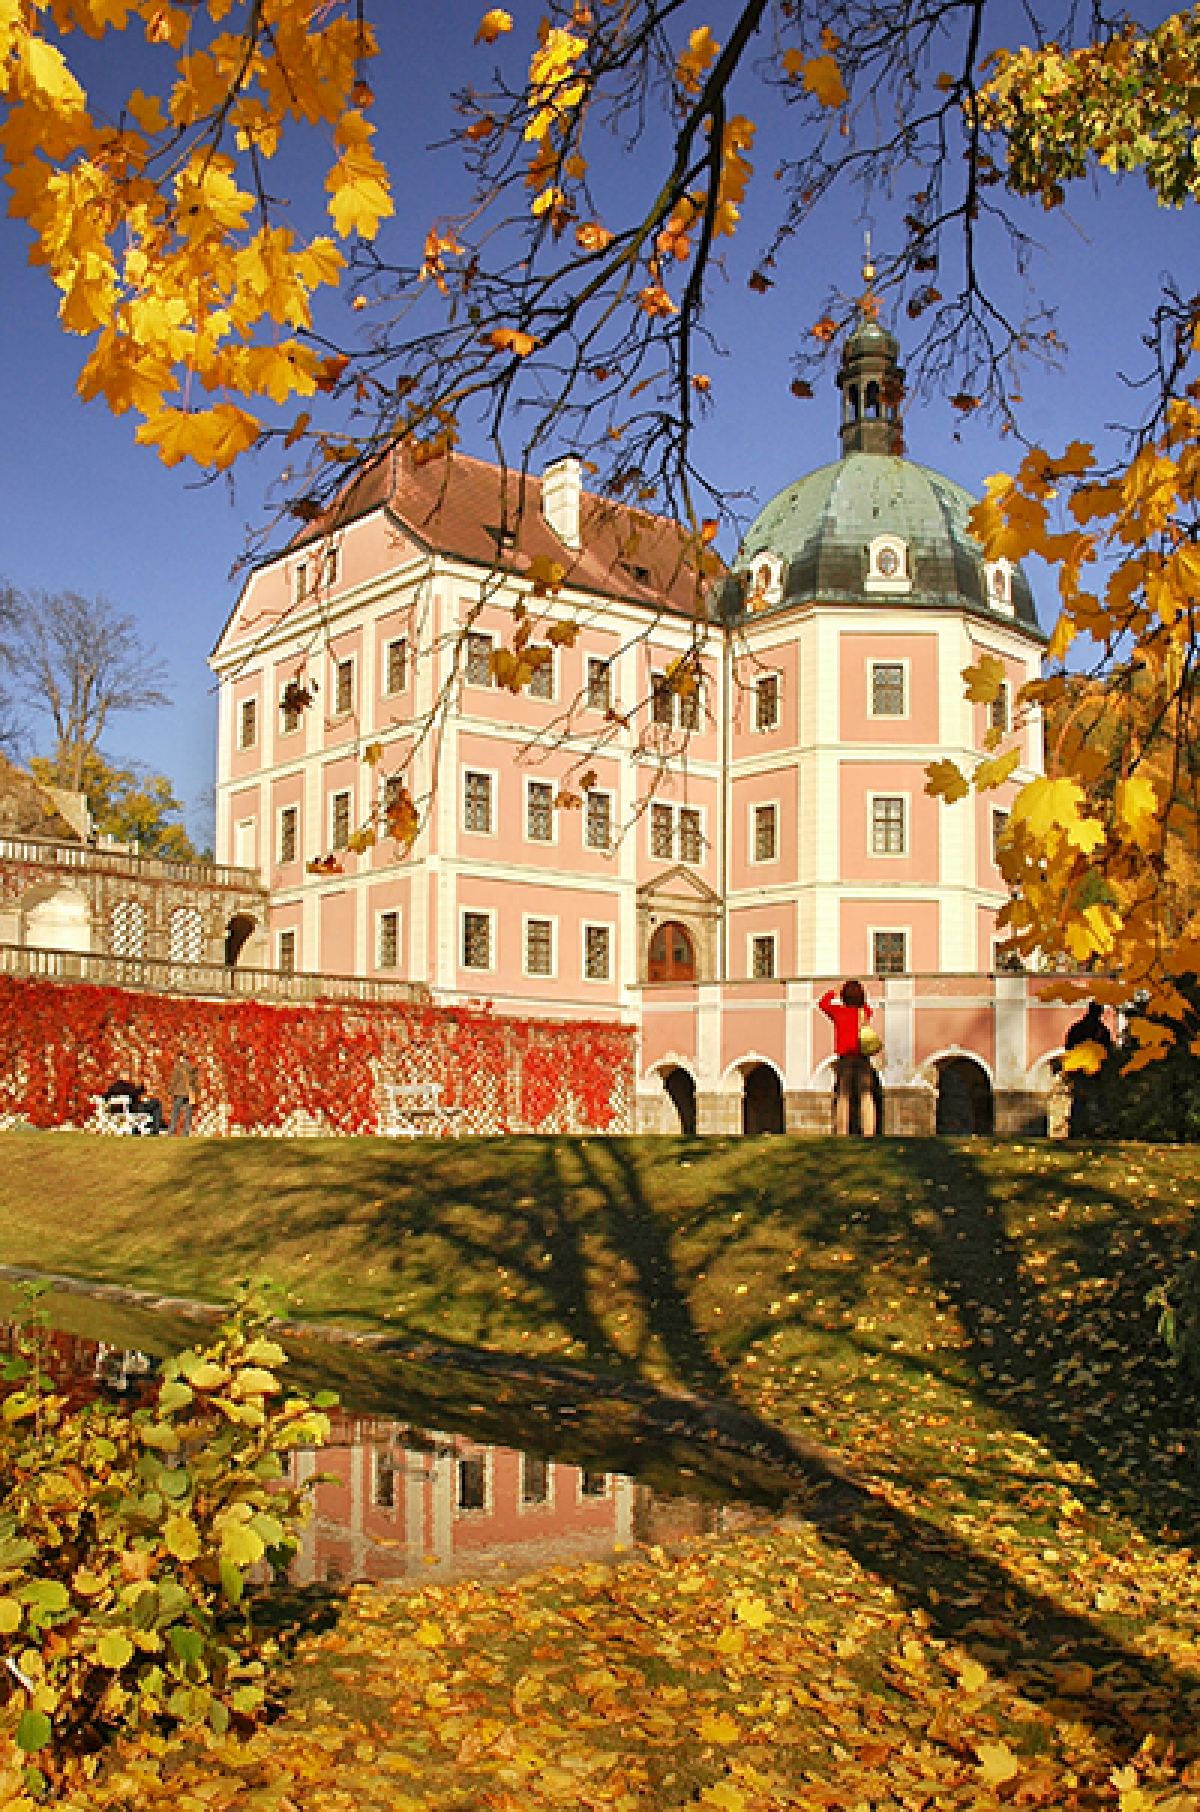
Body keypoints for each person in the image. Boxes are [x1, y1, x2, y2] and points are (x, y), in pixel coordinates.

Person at [819, 978, 879, 1136]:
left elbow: (823, 1003)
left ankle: (842, 1132)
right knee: (866, 1095)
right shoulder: (863, 1012)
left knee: (843, 1096)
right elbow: (867, 1008)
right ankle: (868, 1131)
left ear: (844, 996)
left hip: (845, 1058)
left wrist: (836, 991)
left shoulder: (838, 1012)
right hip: (862, 1058)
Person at [1065, 1001, 1113, 1137]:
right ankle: (1093, 1130)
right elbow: (1107, 1052)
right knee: (1095, 1101)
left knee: (1077, 1100)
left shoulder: (1076, 1028)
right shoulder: (1103, 1031)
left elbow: (1068, 1047)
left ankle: (1075, 1129)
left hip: (1077, 1069)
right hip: (1095, 1070)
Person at [169, 1053, 198, 1136]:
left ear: (181, 1058)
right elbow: (195, 1083)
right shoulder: (192, 1069)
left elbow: (174, 1081)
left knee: (175, 1113)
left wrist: (170, 1091)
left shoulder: (178, 1068)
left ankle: (171, 1133)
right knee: (188, 1115)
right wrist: (194, 1094)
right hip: (189, 1094)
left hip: (180, 1094)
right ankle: (185, 1133)